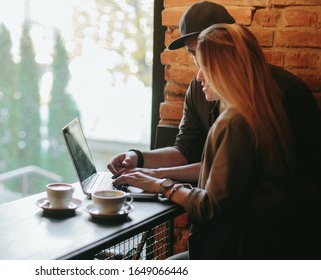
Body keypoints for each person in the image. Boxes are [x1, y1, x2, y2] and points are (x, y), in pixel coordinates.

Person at [109, 1, 321, 259]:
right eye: (194, 53)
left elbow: (215, 204)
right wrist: (142, 162)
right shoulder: (207, 93)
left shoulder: (275, 98)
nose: (199, 71)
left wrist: (162, 184)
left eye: (206, 52)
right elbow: (190, 152)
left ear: (230, 47)